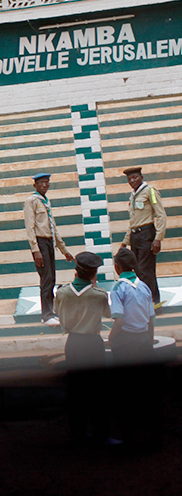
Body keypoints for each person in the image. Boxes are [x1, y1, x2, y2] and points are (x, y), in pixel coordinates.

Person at [55, 251, 112, 444]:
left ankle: (78, 434)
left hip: (73, 343)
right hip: (93, 343)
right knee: (98, 391)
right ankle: (101, 435)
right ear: (94, 274)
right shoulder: (99, 295)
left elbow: (56, 310)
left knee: (75, 391)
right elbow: (108, 313)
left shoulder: (62, 292)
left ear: (76, 271)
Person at [109, 246, 162, 446]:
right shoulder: (145, 287)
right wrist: (149, 341)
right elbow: (151, 320)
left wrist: (111, 338)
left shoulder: (118, 289)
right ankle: (154, 436)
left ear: (117, 267)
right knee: (147, 390)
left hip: (125, 343)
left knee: (125, 392)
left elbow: (119, 320)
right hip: (143, 341)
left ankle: (128, 438)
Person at [23, 172, 74, 325]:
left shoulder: (45, 201)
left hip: (49, 242)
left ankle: (51, 311)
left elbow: (53, 227)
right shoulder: (31, 201)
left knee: (51, 279)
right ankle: (46, 315)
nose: (45, 185)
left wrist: (64, 250)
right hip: (40, 243)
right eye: (41, 183)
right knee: (46, 279)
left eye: (47, 182)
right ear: (35, 185)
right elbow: (30, 227)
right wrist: (35, 250)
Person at [122, 165, 166, 308]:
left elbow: (161, 215)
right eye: (129, 179)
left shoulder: (150, 191)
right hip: (135, 236)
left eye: (135, 177)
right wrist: (124, 242)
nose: (132, 181)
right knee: (139, 271)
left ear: (141, 177)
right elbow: (133, 222)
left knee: (146, 270)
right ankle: (147, 303)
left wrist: (158, 238)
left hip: (147, 234)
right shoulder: (133, 195)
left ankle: (153, 304)